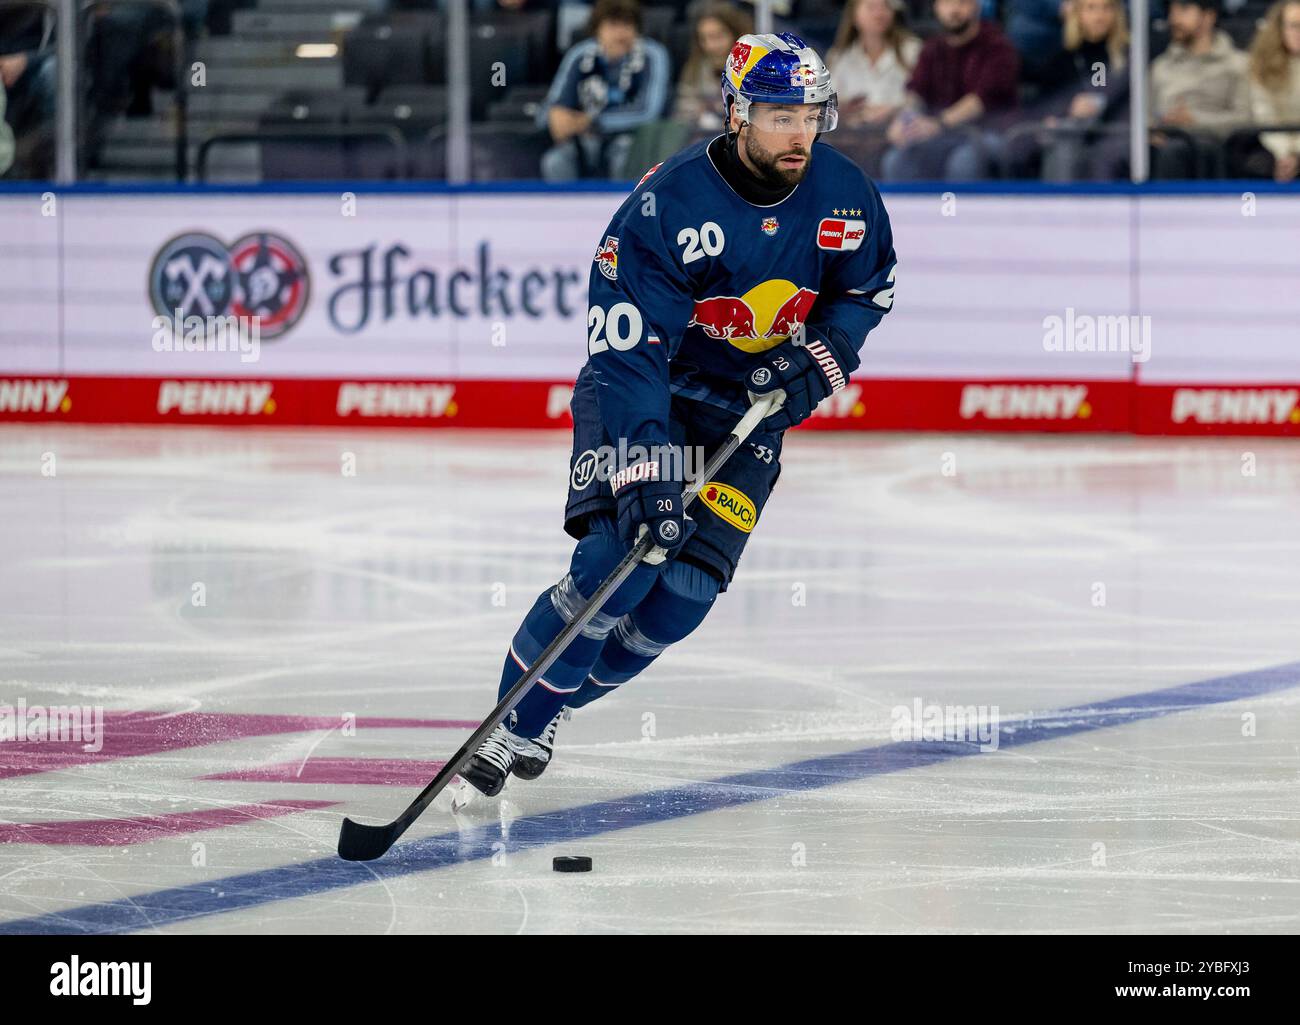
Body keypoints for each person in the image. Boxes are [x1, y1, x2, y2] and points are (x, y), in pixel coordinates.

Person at [460, 32, 897, 796]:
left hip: (744, 410)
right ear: (735, 112)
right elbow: (627, 349)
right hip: (649, 391)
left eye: (810, 116)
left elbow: (866, 292)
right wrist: (645, 472)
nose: (800, 133)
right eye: (780, 116)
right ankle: (513, 722)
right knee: (617, 564)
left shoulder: (847, 190)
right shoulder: (670, 204)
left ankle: (553, 700)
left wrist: (817, 364)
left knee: (681, 601)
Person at [880, 0, 1019, 180]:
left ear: (976, 6)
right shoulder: (932, 48)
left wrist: (939, 123)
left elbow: (980, 100)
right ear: (936, 7)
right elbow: (916, 93)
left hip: (989, 132)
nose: (954, 10)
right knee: (897, 160)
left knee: (963, 162)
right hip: (943, 135)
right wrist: (905, 120)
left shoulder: (998, 47)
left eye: (962, 3)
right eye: (947, 3)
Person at [538, 0, 672, 180]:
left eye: (627, 25)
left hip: (633, 138)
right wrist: (555, 117)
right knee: (555, 161)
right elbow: (552, 107)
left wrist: (594, 122)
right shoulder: (580, 55)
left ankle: (626, 208)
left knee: (623, 155)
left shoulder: (652, 55)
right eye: (612, 25)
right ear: (597, 29)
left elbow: (649, 112)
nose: (620, 34)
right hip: (584, 139)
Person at [1147, 0, 1250, 177]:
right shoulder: (1160, 66)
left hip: (1214, 147)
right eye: (1172, 11)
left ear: (1208, 17)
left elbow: (1245, 119)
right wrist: (1151, 132)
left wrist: (1194, 121)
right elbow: (1146, 115)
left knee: (1177, 152)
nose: (1174, 19)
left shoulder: (1238, 64)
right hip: (1164, 141)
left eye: (1183, 10)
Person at [672, 2, 753, 136]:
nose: (710, 46)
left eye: (717, 37)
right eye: (704, 39)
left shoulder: (755, 67)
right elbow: (682, 112)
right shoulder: (695, 66)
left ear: (736, 34)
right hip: (699, 140)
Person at [1242, 0, 1300, 181]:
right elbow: (1264, 117)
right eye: (1294, 26)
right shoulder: (1262, 65)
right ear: (1279, 28)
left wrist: (1296, 153)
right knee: (1255, 163)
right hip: (1274, 144)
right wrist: (1284, 154)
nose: (1299, 32)